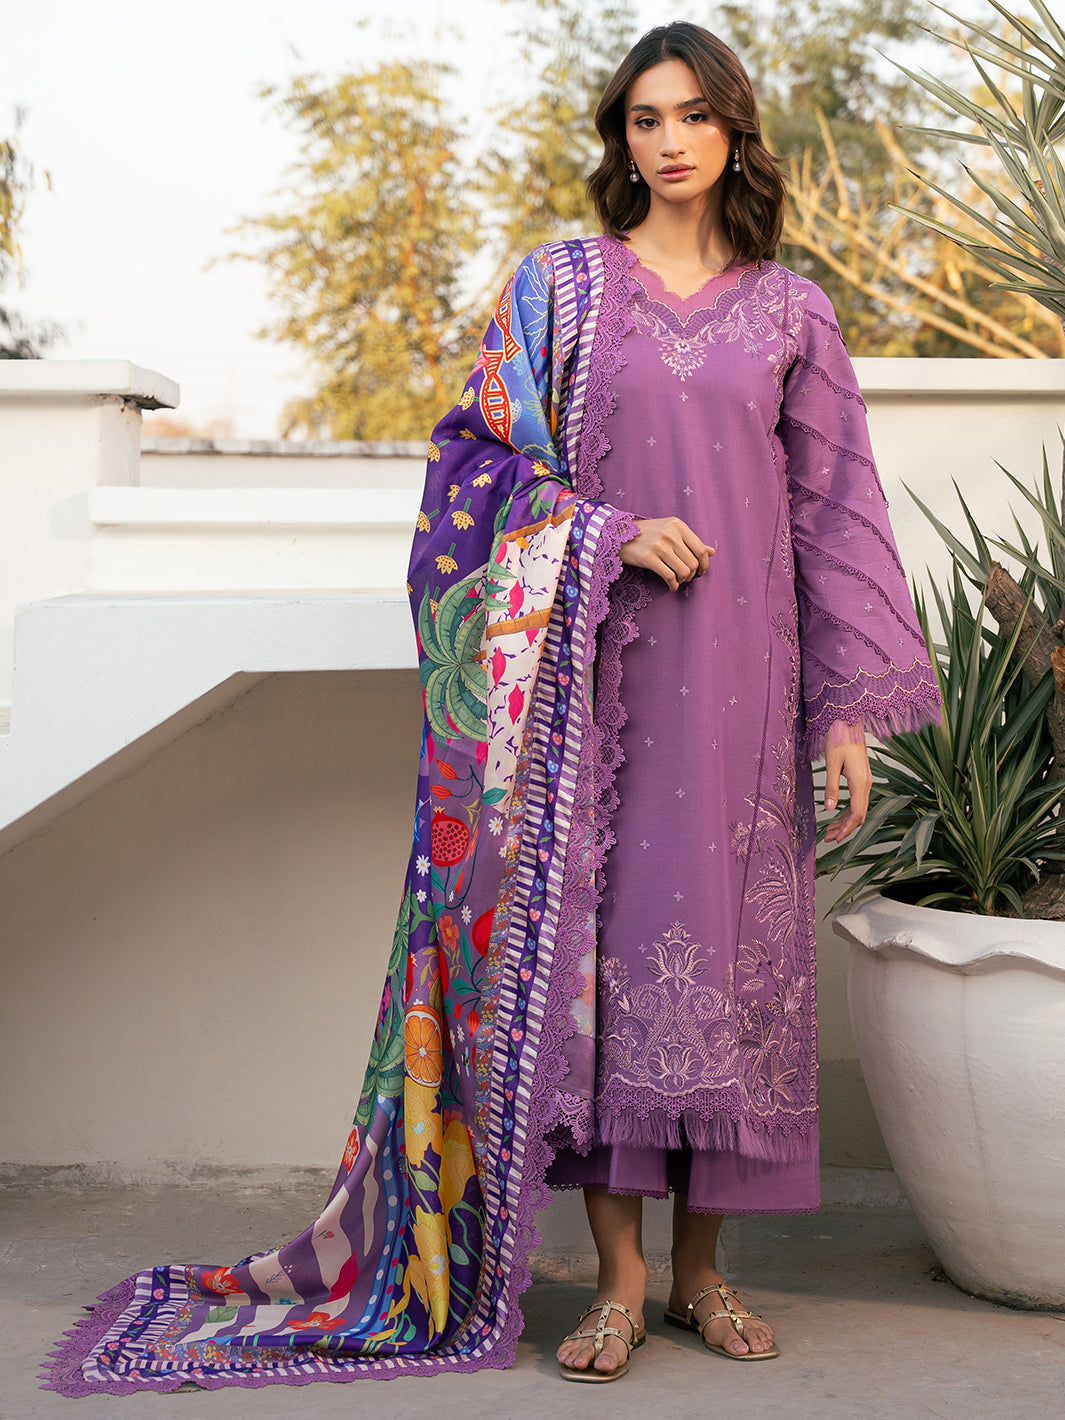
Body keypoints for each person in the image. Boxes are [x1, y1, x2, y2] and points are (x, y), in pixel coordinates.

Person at [43, 22, 938, 1399]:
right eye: (644, 119)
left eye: (693, 116)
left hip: (748, 688)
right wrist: (605, 533)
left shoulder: (790, 312)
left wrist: (847, 712)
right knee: (605, 972)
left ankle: (704, 1273)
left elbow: (835, 512)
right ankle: (623, 1280)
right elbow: (471, 466)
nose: (669, 141)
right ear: (620, 138)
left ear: (734, 131)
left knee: (732, 974)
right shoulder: (559, 288)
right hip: (594, 696)